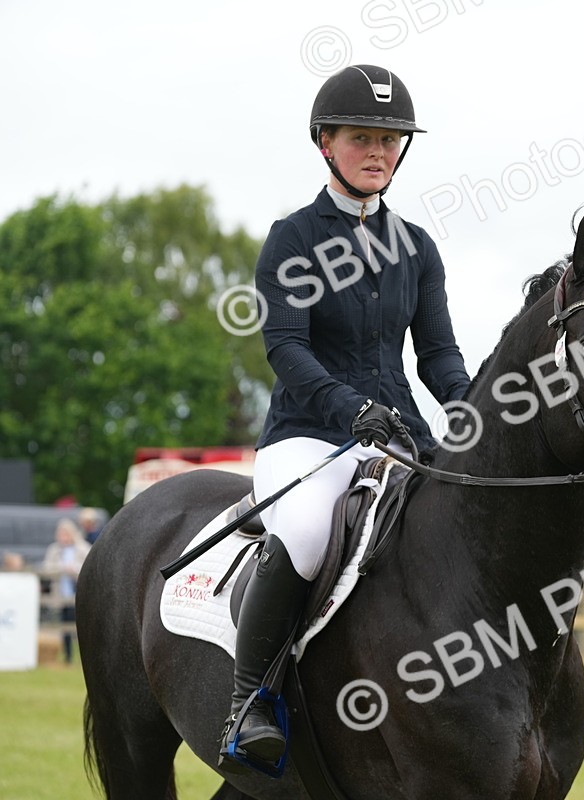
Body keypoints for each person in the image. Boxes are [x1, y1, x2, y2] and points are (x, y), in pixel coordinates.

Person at [218, 65, 472, 773]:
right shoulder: (293, 238)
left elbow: (440, 356)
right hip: (310, 438)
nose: (379, 151)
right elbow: (286, 347)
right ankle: (252, 700)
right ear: (325, 143)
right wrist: (350, 409)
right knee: (302, 532)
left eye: (391, 140)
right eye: (363, 137)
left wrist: (473, 410)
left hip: (403, 441)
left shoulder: (417, 247)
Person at [42, 519, 91, 664]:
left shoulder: (83, 548)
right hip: (61, 592)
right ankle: (67, 656)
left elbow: (89, 566)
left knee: (82, 625)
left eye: (66, 534)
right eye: (61, 534)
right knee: (65, 624)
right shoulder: (54, 550)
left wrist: (74, 569)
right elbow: (47, 567)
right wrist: (61, 568)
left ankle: (86, 657)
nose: (63, 537)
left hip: (79, 592)